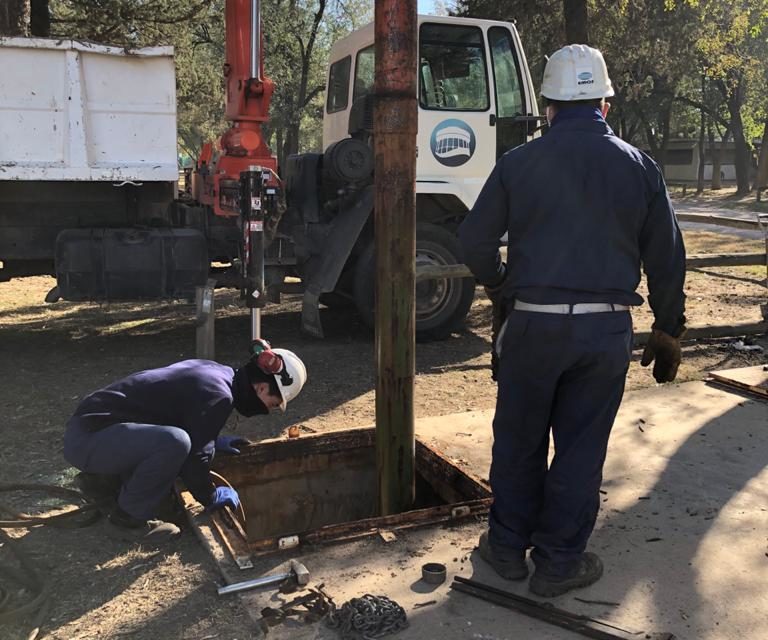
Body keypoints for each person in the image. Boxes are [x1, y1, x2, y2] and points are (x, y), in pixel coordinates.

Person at [458, 44, 686, 597]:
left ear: (549, 105)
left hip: (533, 325)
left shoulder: (518, 163)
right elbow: (666, 256)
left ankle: (507, 549)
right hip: (605, 330)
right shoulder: (640, 167)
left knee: (518, 439)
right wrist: (668, 326)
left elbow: (473, 241)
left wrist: (499, 283)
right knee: (581, 446)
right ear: (604, 103)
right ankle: (559, 562)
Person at [63, 341, 307, 543]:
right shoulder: (218, 395)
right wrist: (210, 496)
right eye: (273, 404)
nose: (267, 410)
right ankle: (127, 521)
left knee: (175, 441)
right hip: (90, 441)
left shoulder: (214, 372)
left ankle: (103, 483)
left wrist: (213, 440)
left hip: (92, 431)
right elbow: (193, 460)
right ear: (263, 387)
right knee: (175, 443)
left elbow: (176, 414)